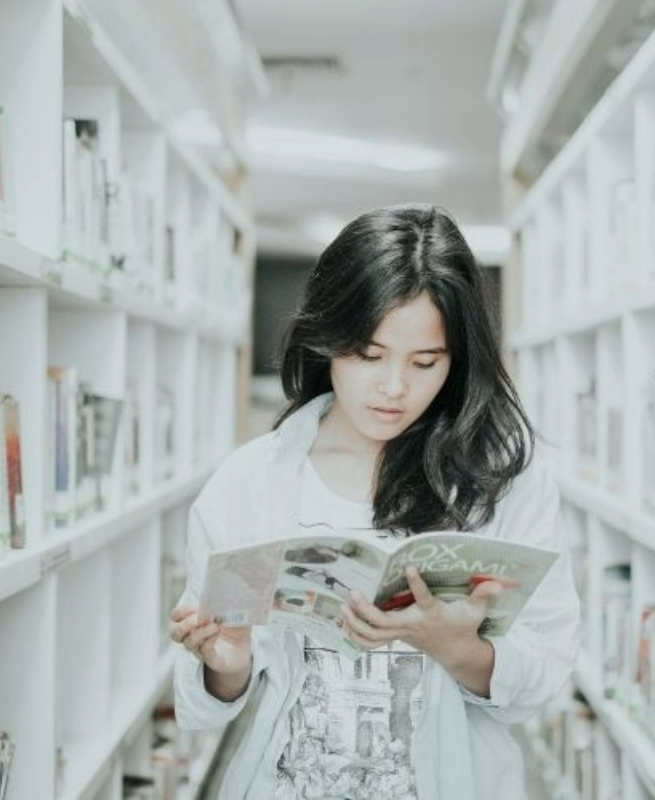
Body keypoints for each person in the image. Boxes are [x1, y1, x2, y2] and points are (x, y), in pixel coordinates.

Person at [169, 203, 580, 799]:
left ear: (458, 361)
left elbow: (542, 678)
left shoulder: (506, 482)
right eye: (368, 355)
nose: (393, 388)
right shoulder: (250, 482)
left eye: (425, 363)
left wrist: (454, 646)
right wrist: (225, 662)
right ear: (327, 339)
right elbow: (205, 708)